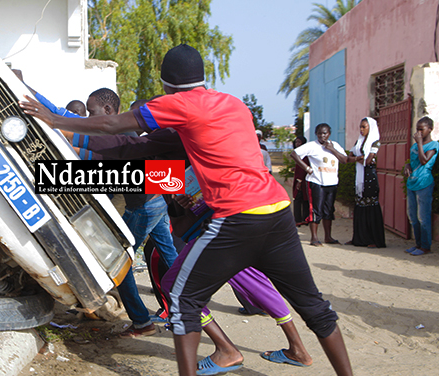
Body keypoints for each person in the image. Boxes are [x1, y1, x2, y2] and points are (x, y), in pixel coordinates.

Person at [20, 44, 352, 376]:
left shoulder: (178, 105)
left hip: (235, 217)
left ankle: (211, 345)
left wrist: (53, 119)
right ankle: (251, 351)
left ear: (165, 85)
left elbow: (116, 133)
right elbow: (150, 153)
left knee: (178, 294)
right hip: (277, 210)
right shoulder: (233, 105)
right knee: (314, 306)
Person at [72, 108, 314, 370]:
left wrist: (65, 133)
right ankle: (296, 349)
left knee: (172, 282)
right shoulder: (210, 146)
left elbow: (141, 170)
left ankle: (223, 348)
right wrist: (183, 199)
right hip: (242, 225)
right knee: (252, 282)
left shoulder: (175, 143)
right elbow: (172, 191)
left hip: (219, 231)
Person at [66, 89, 178, 338]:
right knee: (170, 254)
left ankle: (141, 321)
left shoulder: (121, 134)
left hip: (143, 205)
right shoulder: (120, 132)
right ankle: (193, 305)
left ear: (107, 111)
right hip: (156, 198)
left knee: (120, 261)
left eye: (91, 112)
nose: (88, 116)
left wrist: (78, 155)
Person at [291, 123, 353, 247]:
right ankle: (314, 237)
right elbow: (294, 154)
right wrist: (306, 168)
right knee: (315, 209)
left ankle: (328, 236)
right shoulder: (312, 146)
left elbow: (345, 160)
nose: (322, 136)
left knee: (328, 210)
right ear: (316, 134)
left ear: (329, 134)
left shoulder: (335, 145)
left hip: (332, 183)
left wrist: (332, 149)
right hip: (316, 182)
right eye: (319, 133)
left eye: (324, 133)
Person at [346, 118, 386, 248]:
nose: (361, 130)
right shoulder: (359, 141)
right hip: (359, 179)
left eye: (364, 127)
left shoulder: (375, 142)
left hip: (369, 178)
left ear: (371, 127)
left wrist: (358, 159)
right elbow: (349, 157)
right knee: (359, 208)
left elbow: (368, 161)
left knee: (371, 208)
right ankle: (359, 238)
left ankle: (375, 240)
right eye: (360, 127)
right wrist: (359, 158)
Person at [404, 116, 438, 256]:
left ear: (430, 129)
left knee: (423, 216)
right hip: (411, 184)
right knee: (412, 216)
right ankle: (418, 244)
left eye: (421, 129)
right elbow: (411, 162)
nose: (418, 132)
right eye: (417, 129)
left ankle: (426, 247)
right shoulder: (414, 146)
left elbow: (424, 161)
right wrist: (407, 166)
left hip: (424, 184)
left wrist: (419, 143)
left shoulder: (434, 145)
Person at [292, 136, 311, 227]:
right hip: (300, 180)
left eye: (299, 142)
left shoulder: (304, 155)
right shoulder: (298, 154)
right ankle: (301, 219)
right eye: (296, 142)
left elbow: (303, 169)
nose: (297, 144)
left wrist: (299, 181)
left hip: (302, 181)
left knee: (299, 200)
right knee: (301, 199)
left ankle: (301, 219)